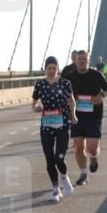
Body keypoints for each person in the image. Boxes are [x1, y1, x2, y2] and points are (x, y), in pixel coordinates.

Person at [31, 56, 78, 202]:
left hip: (63, 124)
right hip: (46, 126)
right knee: (49, 159)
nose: (51, 71)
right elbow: (34, 104)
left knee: (59, 158)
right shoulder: (40, 85)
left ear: (58, 69)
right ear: (45, 69)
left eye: (54, 68)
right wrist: (36, 108)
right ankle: (55, 188)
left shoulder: (65, 83)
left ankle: (64, 176)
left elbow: (71, 100)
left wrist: (73, 115)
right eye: (49, 68)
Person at [68, 50, 107, 185]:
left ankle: (93, 157)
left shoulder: (96, 75)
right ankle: (83, 174)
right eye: (79, 59)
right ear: (76, 60)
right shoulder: (70, 77)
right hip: (77, 117)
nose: (82, 61)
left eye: (84, 59)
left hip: (94, 116)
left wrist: (102, 96)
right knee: (79, 147)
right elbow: (64, 93)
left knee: (92, 148)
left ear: (88, 60)